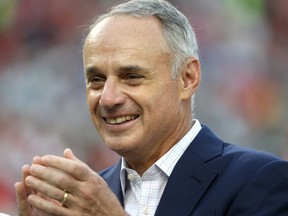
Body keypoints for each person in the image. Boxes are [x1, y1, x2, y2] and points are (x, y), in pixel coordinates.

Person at [15, 0, 288, 215]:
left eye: (131, 76)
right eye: (96, 80)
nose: (108, 99)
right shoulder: (84, 198)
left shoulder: (260, 180)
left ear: (187, 78)